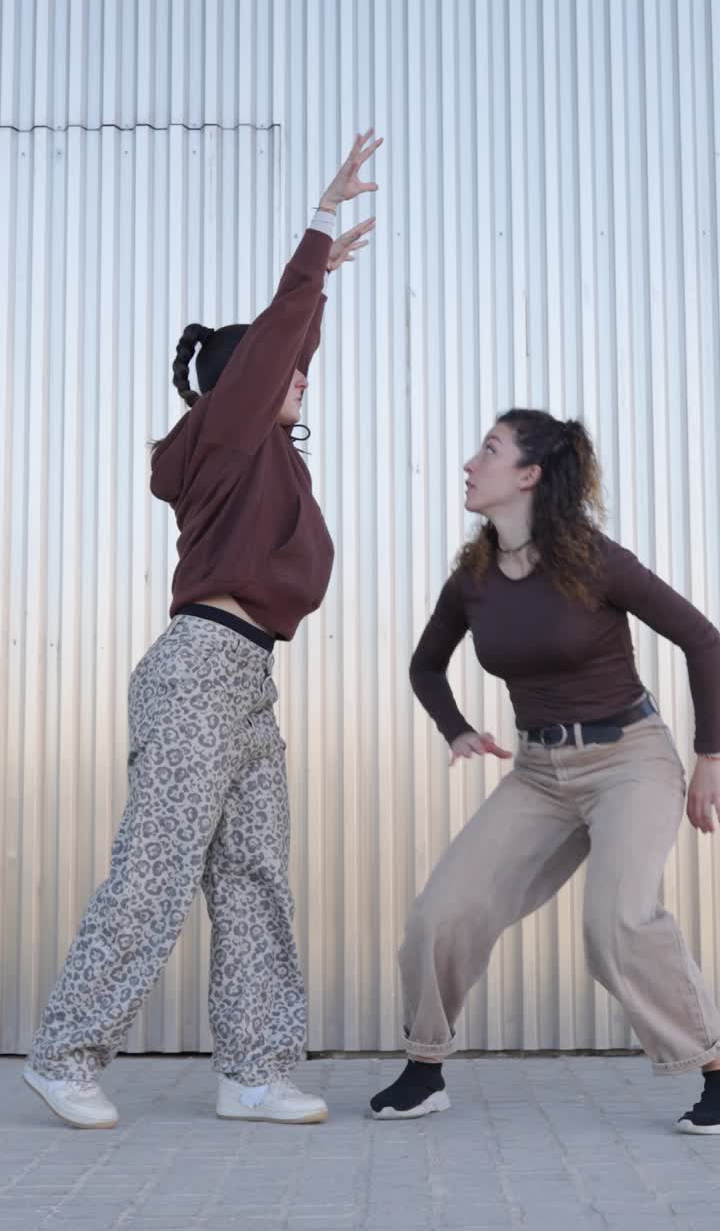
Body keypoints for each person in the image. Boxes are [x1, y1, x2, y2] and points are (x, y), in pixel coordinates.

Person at [24, 131, 382, 1129]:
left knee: (256, 873)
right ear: (240, 388)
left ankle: (254, 1071)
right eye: (283, 369)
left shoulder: (265, 458)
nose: (301, 376)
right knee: (157, 867)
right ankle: (63, 1053)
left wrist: (317, 290)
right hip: (198, 669)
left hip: (248, 679)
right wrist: (316, 234)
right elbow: (278, 343)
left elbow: (288, 343)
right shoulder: (226, 437)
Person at [370, 408, 720, 1133]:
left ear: (529, 474)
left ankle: (713, 1066)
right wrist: (457, 728)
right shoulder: (473, 579)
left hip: (629, 760)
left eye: (488, 451)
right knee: (441, 914)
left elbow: (704, 640)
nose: (470, 464)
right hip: (538, 774)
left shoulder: (596, 560)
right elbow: (425, 666)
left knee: (616, 921)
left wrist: (710, 756)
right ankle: (424, 1069)